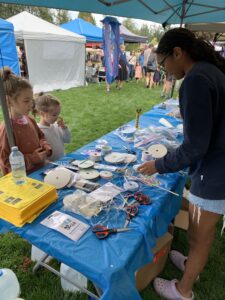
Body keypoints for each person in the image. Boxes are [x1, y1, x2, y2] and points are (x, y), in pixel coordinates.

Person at [138, 28, 225, 300]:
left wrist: (160, 164)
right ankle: (191, 266)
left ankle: (183, 289)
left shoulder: (196, 80)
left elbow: (196, 146)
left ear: (178, 52)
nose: (163, 70)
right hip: (217, 163)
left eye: (163, 63)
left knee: (200, 237)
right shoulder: (209, 70)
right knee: (200, 235)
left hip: (214, 173)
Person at [0, 68, 52, 175]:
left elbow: (41, 136)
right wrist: (32, 159)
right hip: (23, 181)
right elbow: (5, 161)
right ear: (8, 101)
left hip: (40, 171)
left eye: (31, 100)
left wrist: (45, 146)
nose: (31, 105)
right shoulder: (7, 129)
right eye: (26, 101)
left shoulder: (30, 120)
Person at [34, 93, 71, 161]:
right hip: (51, 166)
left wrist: (64, 128)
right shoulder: (38, 130)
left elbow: (67, 140)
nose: (57, 117)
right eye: (54, 115)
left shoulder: (56, 125)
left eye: (58, 114)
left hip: (62, 160)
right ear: (42, 113)